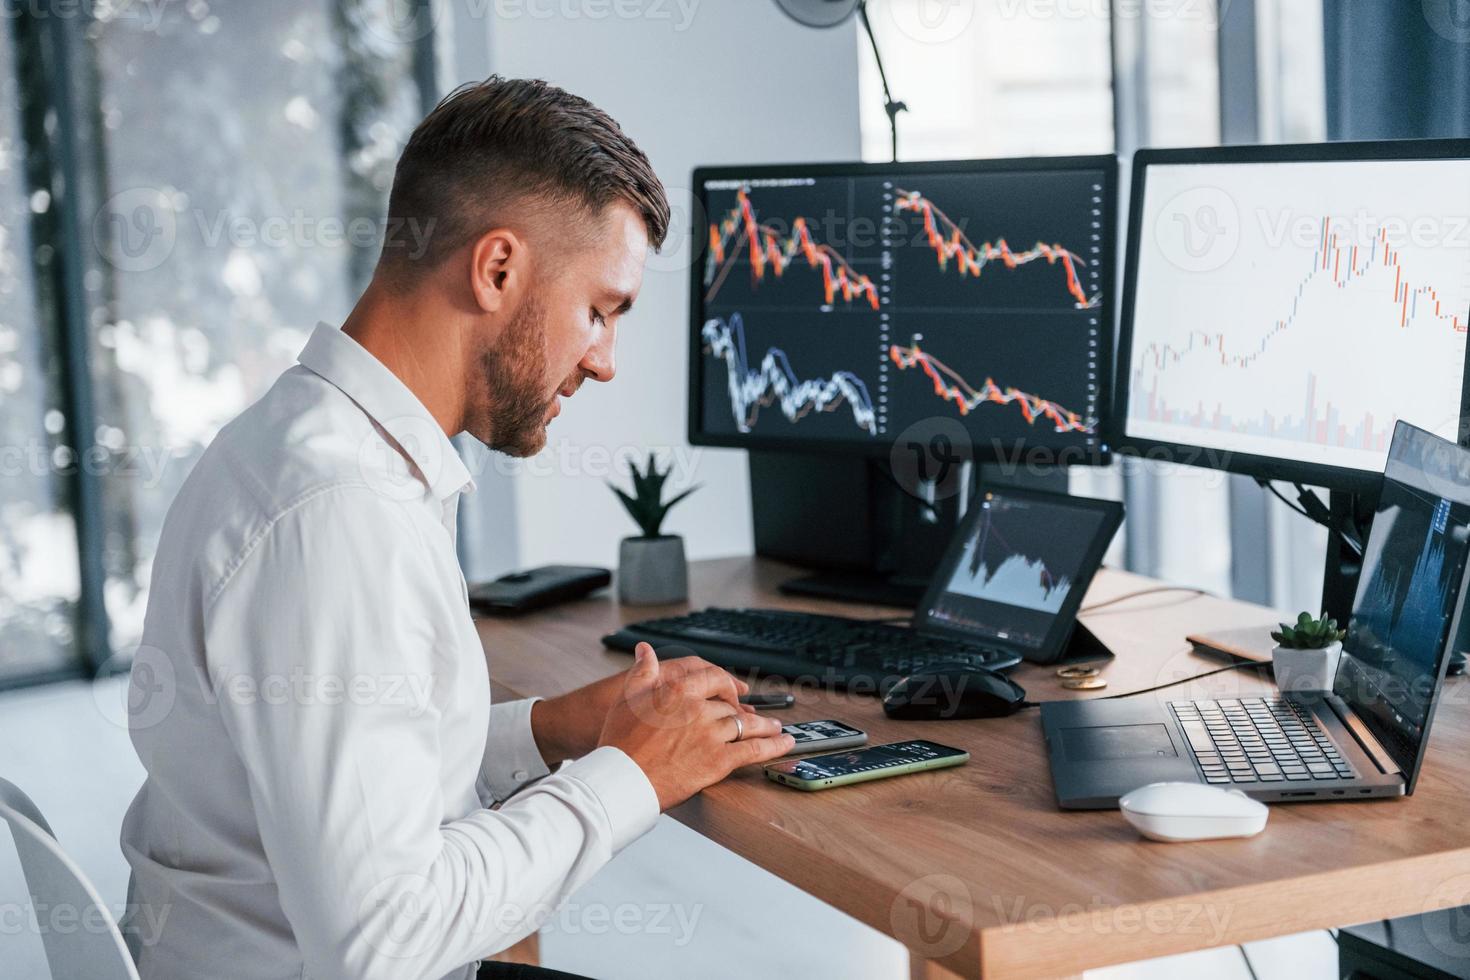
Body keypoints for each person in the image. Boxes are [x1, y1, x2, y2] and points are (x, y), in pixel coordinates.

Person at [118, 76, 795, 980]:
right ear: (498, 269)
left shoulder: (308, 445)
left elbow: (352, 765)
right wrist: (635, 775)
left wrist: (551, 729)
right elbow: (384, 943)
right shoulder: (342, 514)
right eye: (599, 310)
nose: (604, 362)